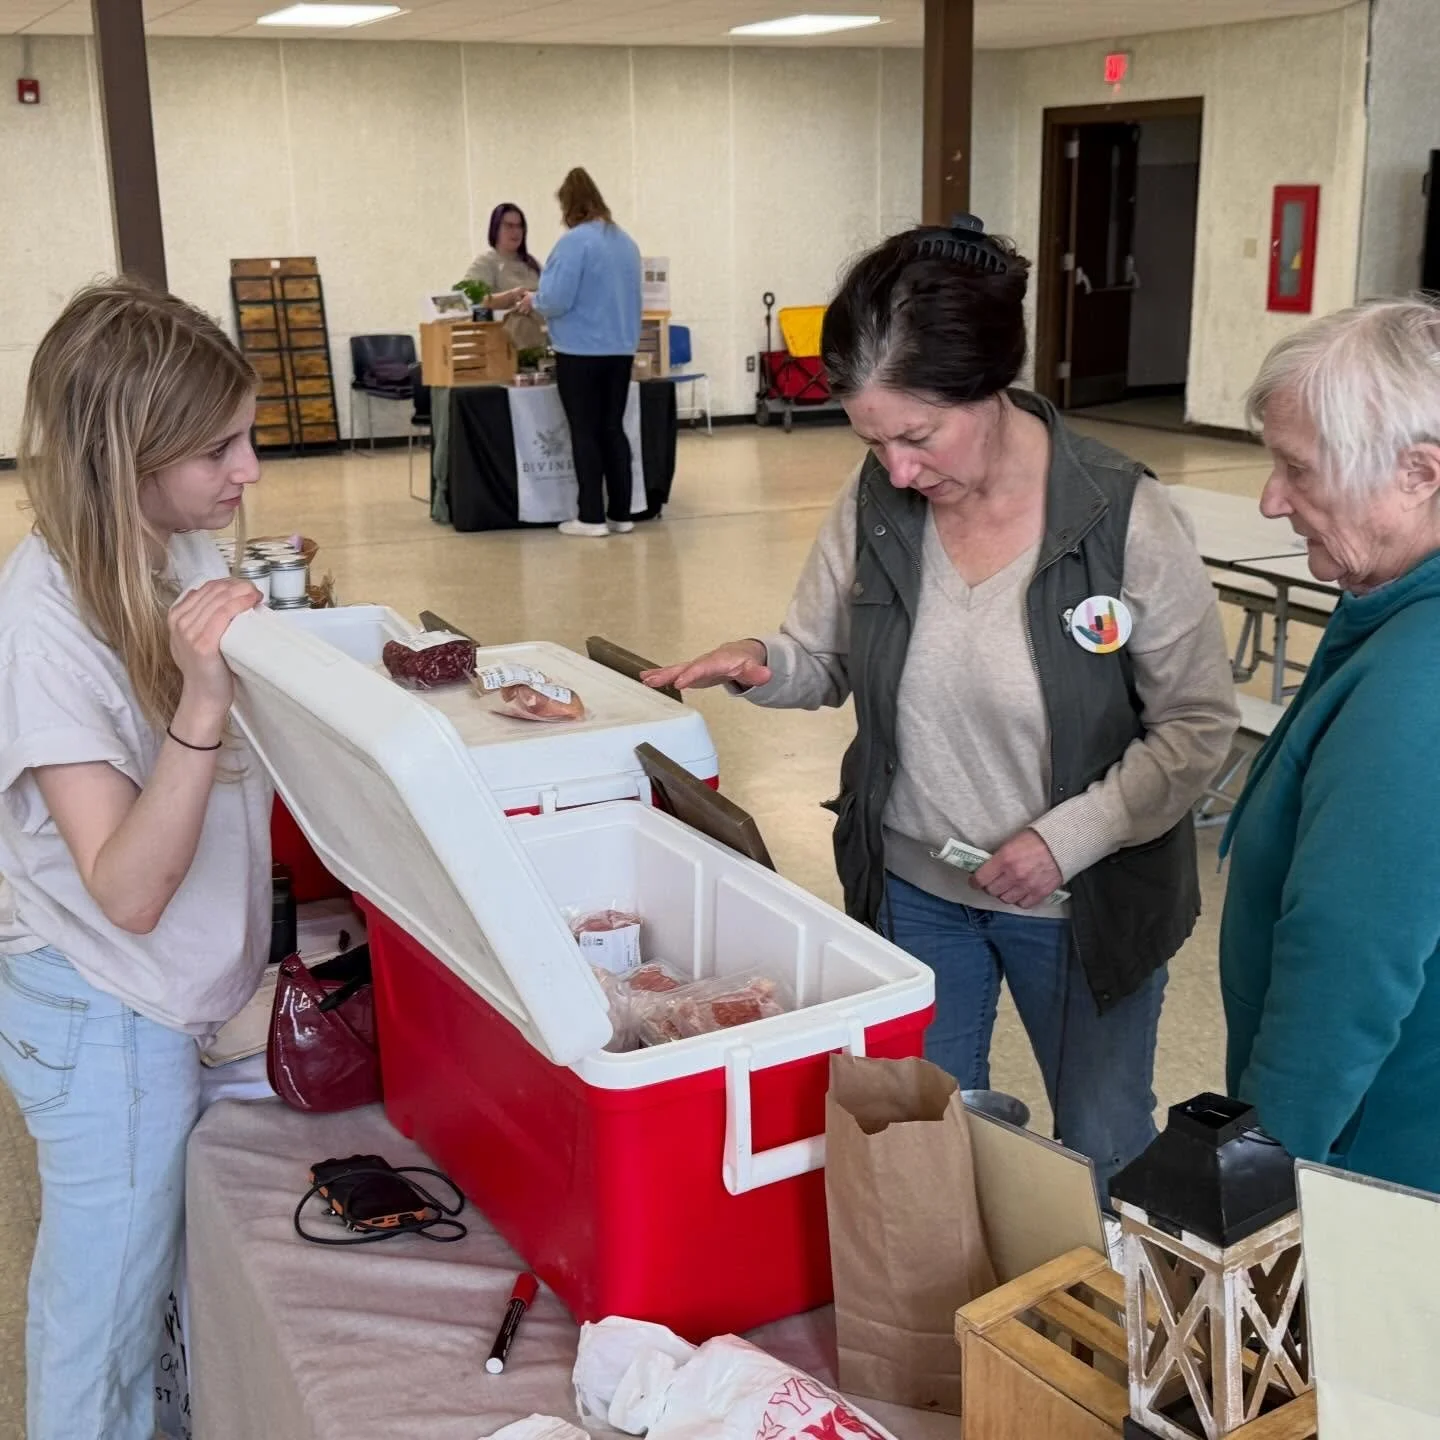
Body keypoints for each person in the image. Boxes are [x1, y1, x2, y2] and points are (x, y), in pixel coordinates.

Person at [643, 222, 1238, 1192]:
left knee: (1101, 1142)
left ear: (991, 388)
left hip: (1080, 905)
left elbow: (1197, 726)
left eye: (918, 437)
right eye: (872, 441)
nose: (898, 471)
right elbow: (823, 658)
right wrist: (761, 662)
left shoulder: (1120, 516)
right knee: (920, 1144)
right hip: (916, 888)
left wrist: (1065, 840)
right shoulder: (879, 502)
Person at [0, 280, 272, 1439]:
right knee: (100, 1324)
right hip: (102, 1006)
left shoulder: (169, 543)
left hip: (155, 1000)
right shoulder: (44, 623)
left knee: (149, 1296)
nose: (249, 469)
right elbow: (127, 888)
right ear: (130, 456)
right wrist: (203, 703)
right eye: (219, 448)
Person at [1221, 298, 1440, 1194]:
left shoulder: (1420, 676)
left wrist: (1256, 1172)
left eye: (1298, 469)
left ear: (1418, 473)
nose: (1272, 500)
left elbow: (1345, 964)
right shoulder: (1389, 612)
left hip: (1372, 1153)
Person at [515, 167, 642, 539]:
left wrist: (533, 300)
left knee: (584, 430)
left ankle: (591, 516)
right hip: (621, 349)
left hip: (580, 351)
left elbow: (556, 298)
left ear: (570, 206)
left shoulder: (574, 243)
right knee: (613, 429)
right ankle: (621, 513)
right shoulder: (626, 242)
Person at [463, 202, 546, 351]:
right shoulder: (485, 262)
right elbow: (472, 301)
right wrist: (512, 296)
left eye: (519, 226)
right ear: (495, 229)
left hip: (543, 341)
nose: (516, 231)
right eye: (509, 226)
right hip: (503, 348)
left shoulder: (532, 263)